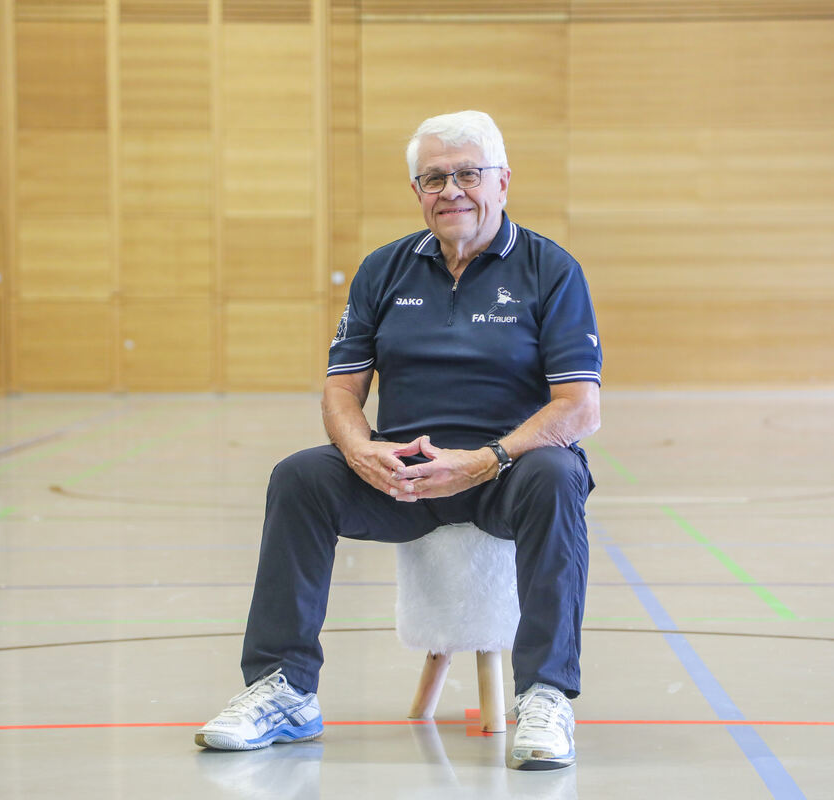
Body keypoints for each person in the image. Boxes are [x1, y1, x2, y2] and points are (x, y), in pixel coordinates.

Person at [196, 110, 602, 771]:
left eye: (468, 174)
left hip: (508, 471)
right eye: (434, 178)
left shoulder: (550, 270)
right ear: (417, 191)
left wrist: (485, 459)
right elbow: (341, 392)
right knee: (300, 477)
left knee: (558, 475)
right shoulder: (383, 270)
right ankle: (285, 689)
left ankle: (547, 694)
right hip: (404, 475)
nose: (451, 190)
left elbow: (580, 407)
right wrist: (361, 451)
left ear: (502, 181)